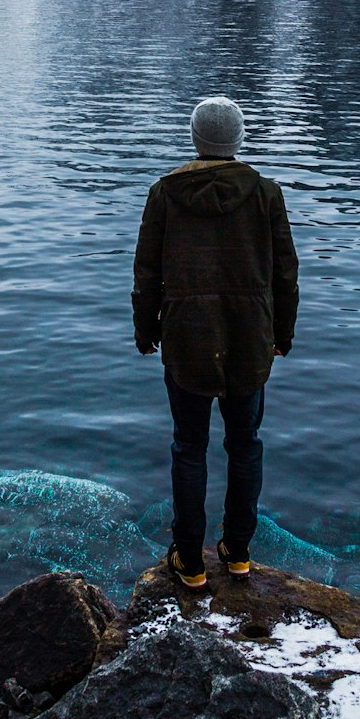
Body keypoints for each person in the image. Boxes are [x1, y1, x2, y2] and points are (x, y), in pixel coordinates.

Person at [132, 95, 299, 590]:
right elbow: (286, 273)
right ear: (237, 139)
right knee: (245, 444)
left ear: (195, 138)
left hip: (186, 338)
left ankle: (190, 560)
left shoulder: (165, 193)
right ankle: (239, 550)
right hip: (250, 339)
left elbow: (147, 272)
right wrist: (282, 334)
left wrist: (146, 330)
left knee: (190, 446)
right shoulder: (266, 194)